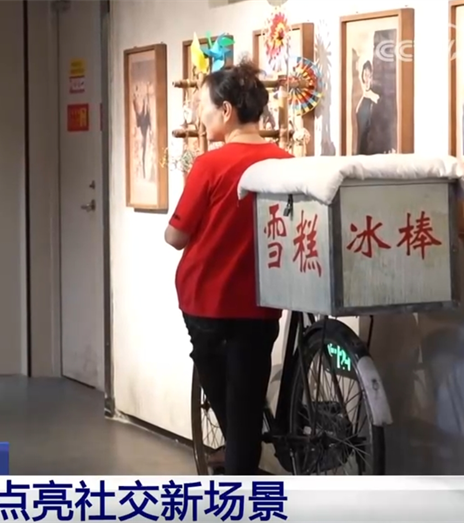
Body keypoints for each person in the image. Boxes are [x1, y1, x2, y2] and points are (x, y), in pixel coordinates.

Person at [163, 61, 291, 475]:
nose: (200, 114)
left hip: (208, 301)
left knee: (231, 407)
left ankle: (238, 476)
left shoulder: (210, 165)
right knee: (247, 400)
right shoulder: (285, 162)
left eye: (203, 105)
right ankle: (243, 467)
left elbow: (176, 236)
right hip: (262, 301)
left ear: (226, 110)